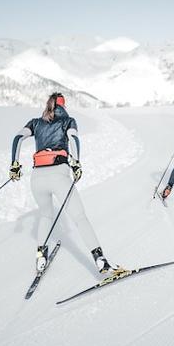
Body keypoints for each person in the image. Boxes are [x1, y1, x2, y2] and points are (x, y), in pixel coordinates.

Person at [9, 92, 112, 274]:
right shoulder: (68, 121)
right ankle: (101, 260)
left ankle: (41, 258)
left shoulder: (35, 122)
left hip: (37, 178)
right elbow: (73, 139)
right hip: (59, 175)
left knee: (46, 215)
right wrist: (77, 163)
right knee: (80, 217)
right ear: (63, 106)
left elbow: (17, 138)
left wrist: (14, 165)